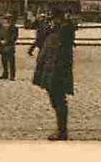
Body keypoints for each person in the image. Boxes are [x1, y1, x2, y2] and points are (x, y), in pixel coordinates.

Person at [32, 8, 77, 141]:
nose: (49, 21)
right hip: (49, 70)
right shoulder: (53, 31)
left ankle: (62, 131)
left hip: (57, 72)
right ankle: (61, 130)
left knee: (59, 100)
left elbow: (62, 50)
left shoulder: (64, 31)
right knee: (55, 100)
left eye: (52, 18)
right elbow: (40, 41)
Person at [0, 13, 19, 80]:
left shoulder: (14, 28)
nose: (7, 20)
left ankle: (12, 75)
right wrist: (0, 41)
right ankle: (5, 73)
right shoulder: (2, 27)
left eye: (9, 19)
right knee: (3, 61)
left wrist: (7, 41)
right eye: (6, 19)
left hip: (9, 46)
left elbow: (14, 37)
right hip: (2, 46)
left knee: (11, 61)